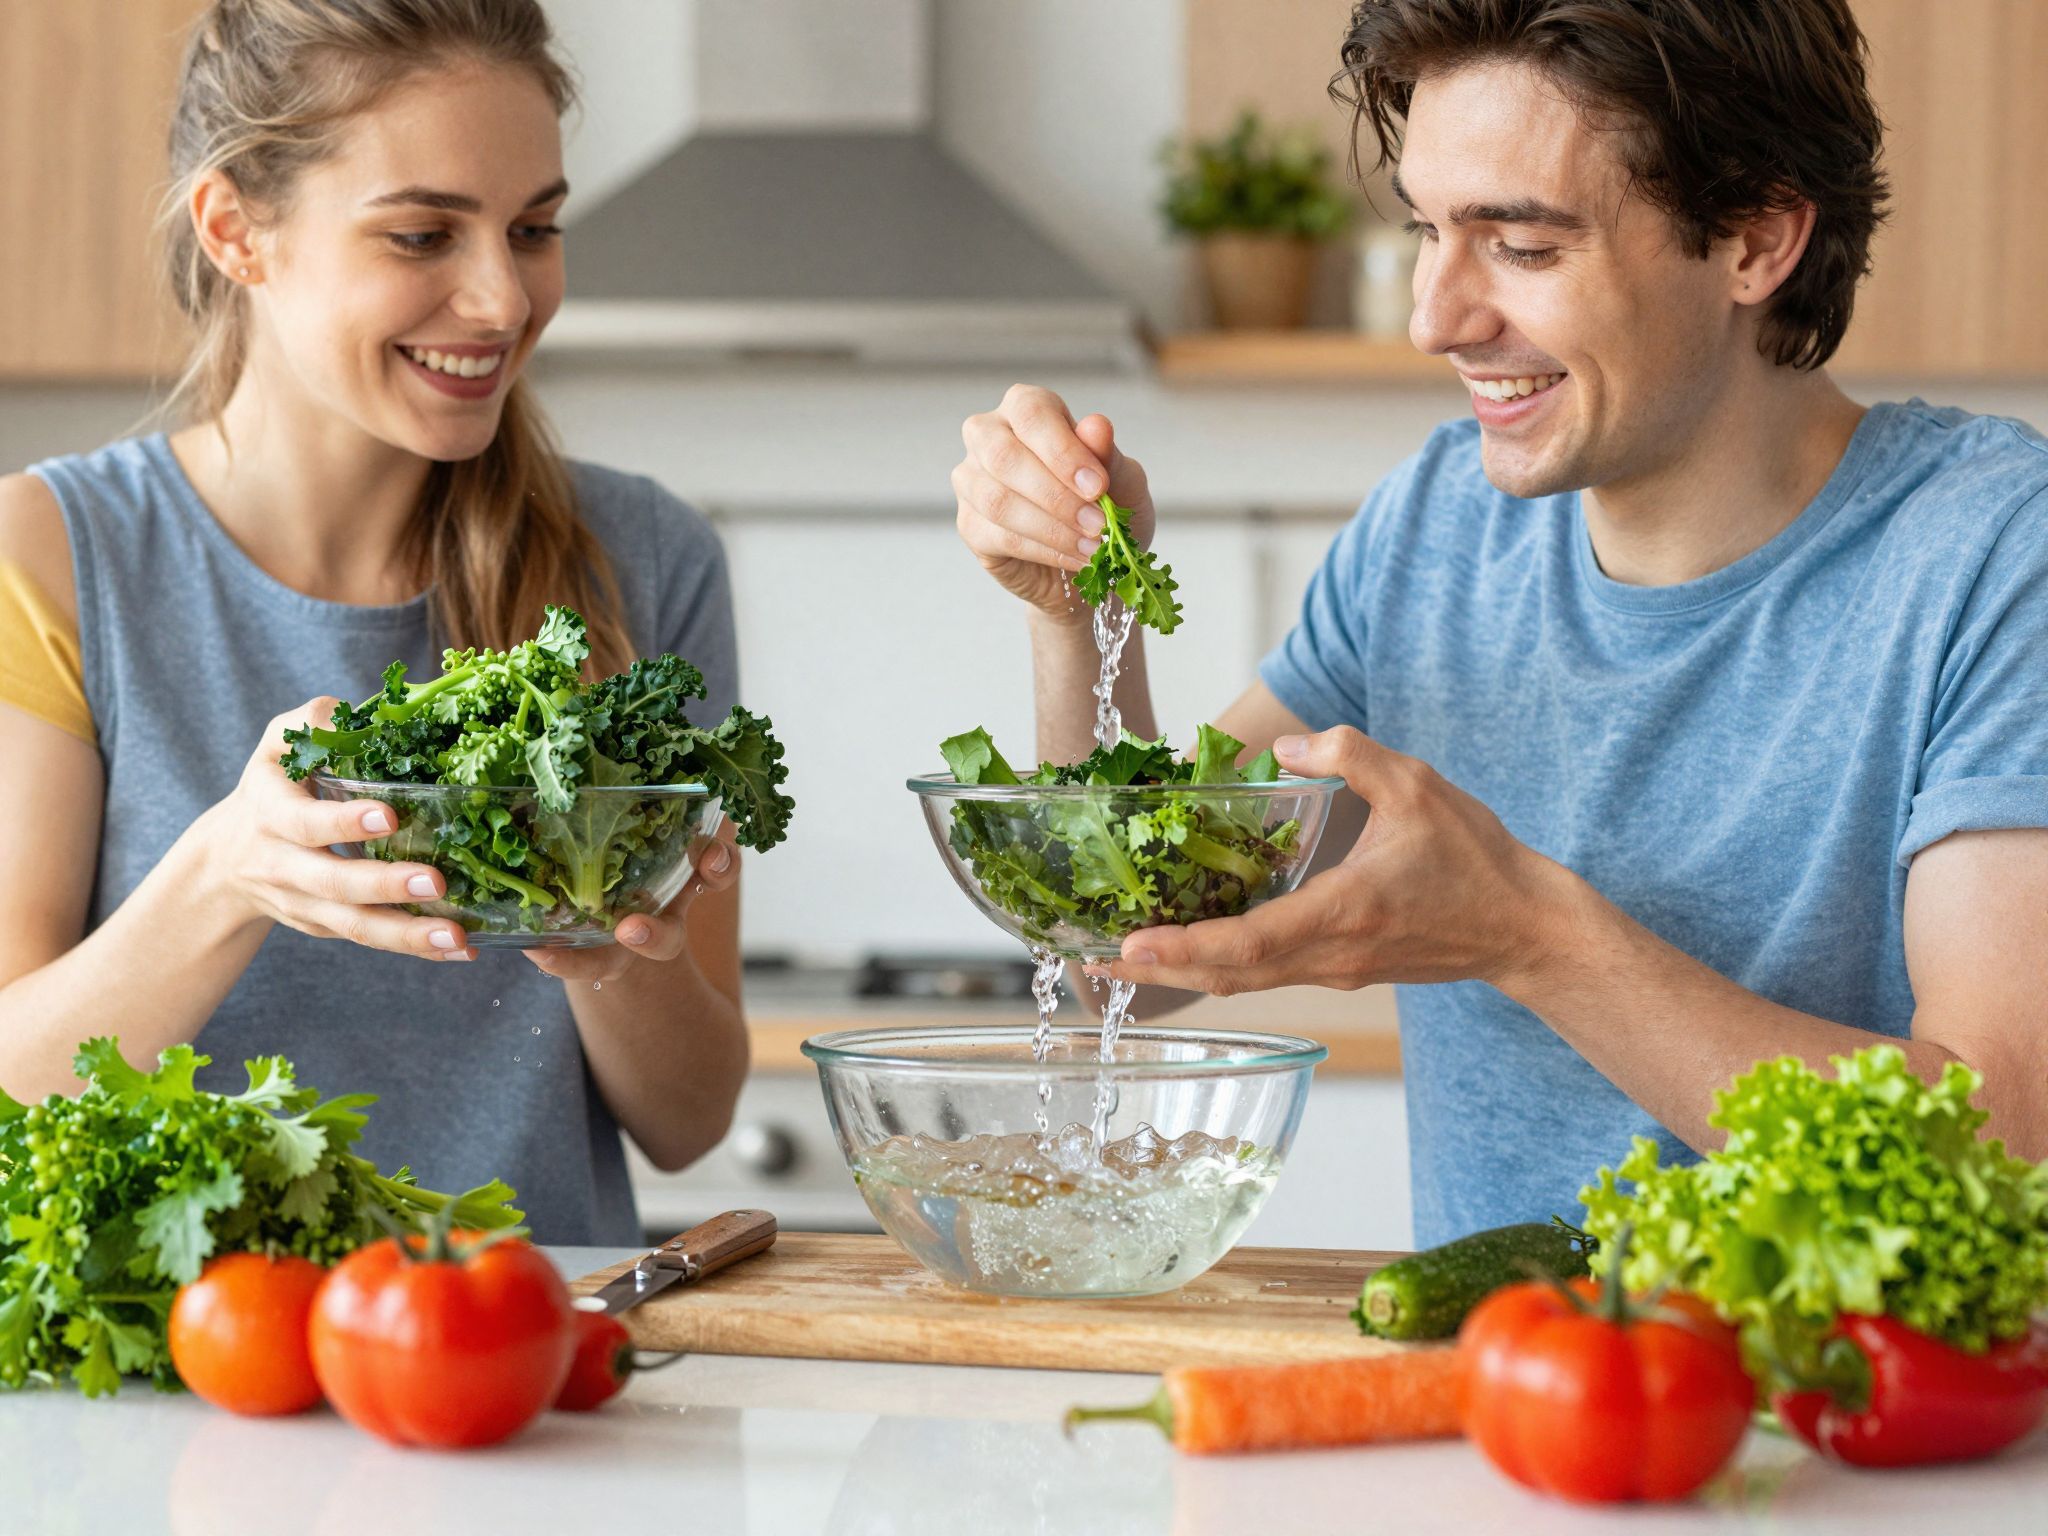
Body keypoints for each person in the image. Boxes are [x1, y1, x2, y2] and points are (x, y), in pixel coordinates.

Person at [950, 0, 2048, 1245]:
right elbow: (1128, 964)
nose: (1434, 318)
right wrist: (1079, 618)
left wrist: (1525, 936)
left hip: (1861, 1430)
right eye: (1426, 230)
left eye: (1519, 246)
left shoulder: (1994, 554)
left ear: (1755, 237)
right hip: (1491, 1419)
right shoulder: (1434, 525)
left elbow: (2004, 1144)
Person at [0, 0, 747, 1244]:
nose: (502, 299)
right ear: (237, 230)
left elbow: (689, 1119)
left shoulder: (645, 562)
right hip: (178, 1395)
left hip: (528, 1367)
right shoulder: (52, 555)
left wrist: (612, 945)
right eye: (420, 235)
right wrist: (227, 873)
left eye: (534, 229)